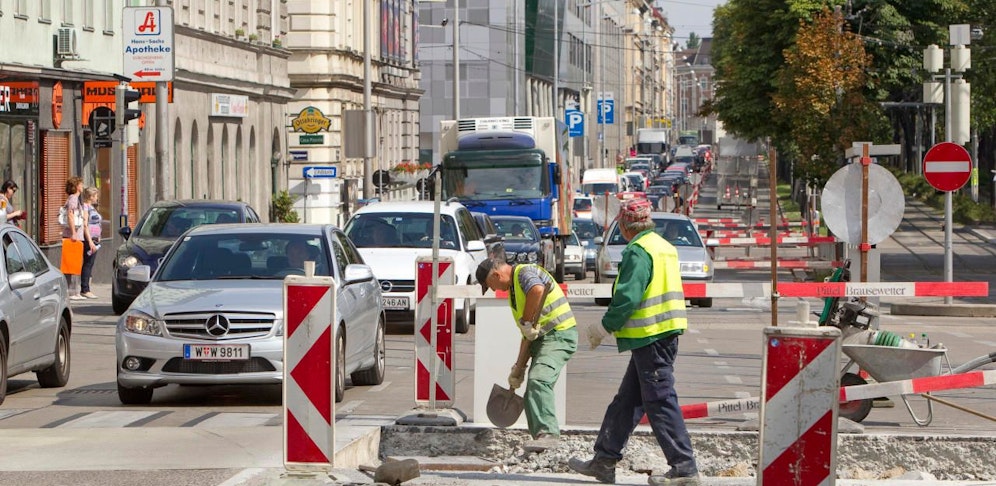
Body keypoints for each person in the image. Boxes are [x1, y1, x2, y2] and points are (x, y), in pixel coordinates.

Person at [569, 198, 699, 485]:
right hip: (660, 335)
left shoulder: (638, 251)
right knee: (628, 400)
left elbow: (628, 297)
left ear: (625, 226)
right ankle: (604, 459)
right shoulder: (663, 246)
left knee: (660, 401)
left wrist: (604, 327)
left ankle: (685, 468)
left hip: (651, 337)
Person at [476, 257, 577, 453]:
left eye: (491, 285)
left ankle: (549, 434)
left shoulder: (524, 273)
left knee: (539, 380)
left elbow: (537, 290)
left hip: (559, 335)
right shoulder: (514, 292)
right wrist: (518, 368)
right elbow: (527, 336)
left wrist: (528, 321)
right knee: (531, 389)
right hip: (543, 340)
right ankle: (540, 440)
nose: (494, 289)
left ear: (496, 275)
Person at [60, 176, 88, 301]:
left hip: (76, 235)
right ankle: (71, 291)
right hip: (73, 235)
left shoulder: (75, 199)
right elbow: (70, 215)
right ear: (76, 186)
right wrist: (73, 233)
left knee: (75, 262)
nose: (82, 186)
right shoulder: (73, 199)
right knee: (71, 263)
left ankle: (74, 291)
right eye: (81, 184)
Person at [79, 187, 102, 299]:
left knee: (90, 263)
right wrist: (90, 241)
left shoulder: (92, 207)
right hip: (89, 240)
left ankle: (87, 287)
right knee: (88, 264)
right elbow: (85, 225)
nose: (97, 198)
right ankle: (85, 289)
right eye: (96, 196)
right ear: (91, 196)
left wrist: (98, 236)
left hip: (95, 239)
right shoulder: (85, 208)